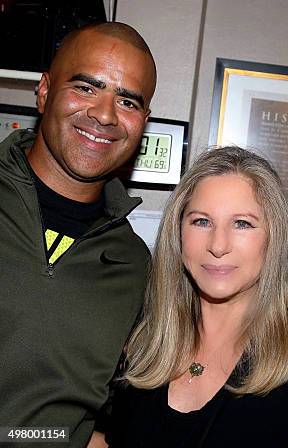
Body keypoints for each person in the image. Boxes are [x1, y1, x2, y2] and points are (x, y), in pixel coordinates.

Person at [107, 147, 288, 448]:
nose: (218, 245)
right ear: (178, 233)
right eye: (201, 221)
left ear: (272, 239)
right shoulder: (142, 346)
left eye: (242, 223)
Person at [0, 22, 156, 446]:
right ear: (44, 90)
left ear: (143, 120)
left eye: (126, 100)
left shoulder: (135, 266)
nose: (104, 114)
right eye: (86, 88)